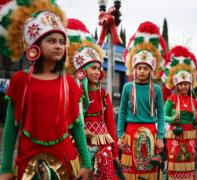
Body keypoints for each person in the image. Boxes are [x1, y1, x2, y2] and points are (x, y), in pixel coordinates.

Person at [0, 1, 91, 179]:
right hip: (27, 160)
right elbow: (11, 126)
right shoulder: (20, 80)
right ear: (35, 46)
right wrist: (5, 169)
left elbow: (77, 125)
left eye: (61, 42)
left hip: (65, 159)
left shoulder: (70, 82)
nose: (58, 46)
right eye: (51, 41)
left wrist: (86, 163)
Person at [65, 19, 118, 179]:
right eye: (93, 68)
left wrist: (115, 152)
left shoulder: (104, 94)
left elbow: (110, 124)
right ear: (82, 70)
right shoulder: (73, 91)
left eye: (99, 68)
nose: (97, 71)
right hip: (79, 144)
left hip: (103, 145)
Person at [117, 21, 166, 179]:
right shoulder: (126, 87)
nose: (142, 71)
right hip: (130, 134)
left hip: (151, 135)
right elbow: (122, 112)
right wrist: (120, 135)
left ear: (151, 70)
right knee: (130, 173)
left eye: (145, 68)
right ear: (134, 69)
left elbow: (161, 115)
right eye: (139, 68)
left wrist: (159, 137)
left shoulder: (157, 89)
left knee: (149, 174)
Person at [162, 46, 197, 179]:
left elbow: (196, 118)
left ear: (190, 84)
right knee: (174, 161)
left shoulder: (195, 101)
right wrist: (172, 119)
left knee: (188, 162)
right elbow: (163, 116)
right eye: (181, 84)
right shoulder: (171, 99)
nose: (184, 86)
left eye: (186, 83)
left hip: (190, 135)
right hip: (175, 134)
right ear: (176, 85)